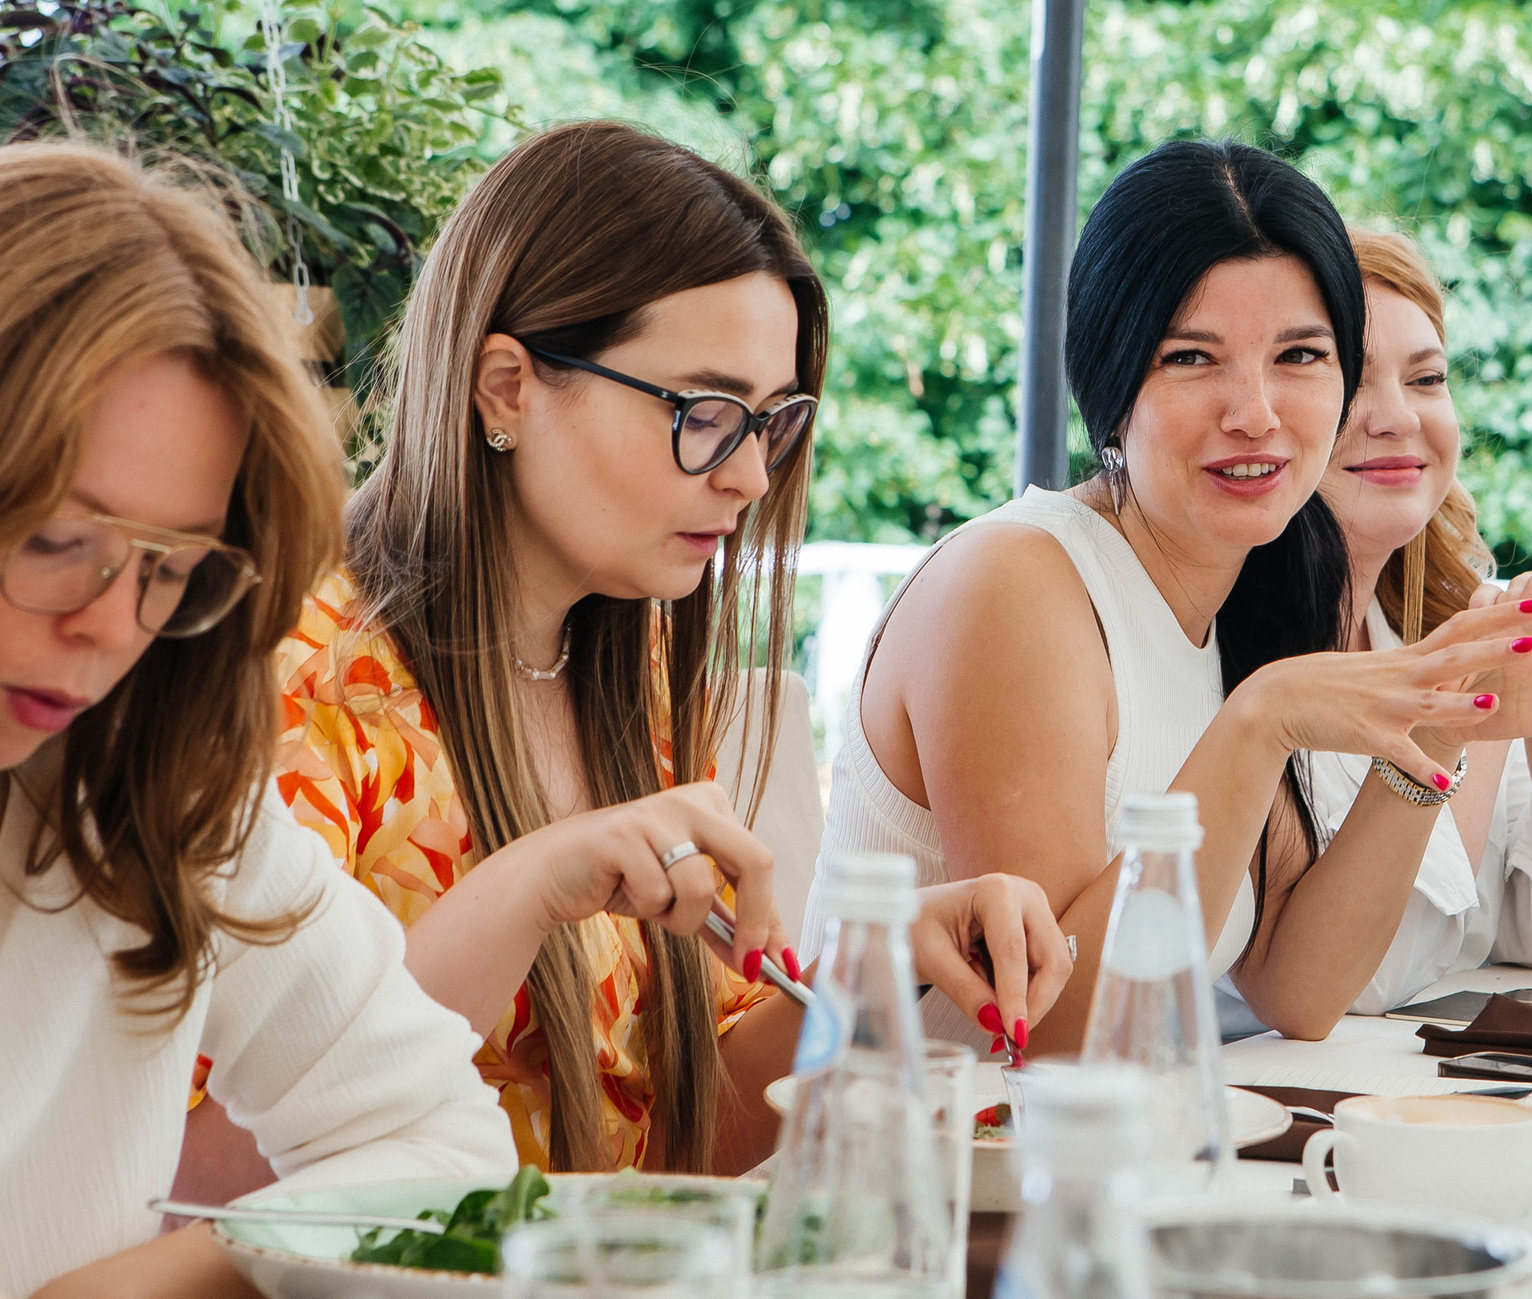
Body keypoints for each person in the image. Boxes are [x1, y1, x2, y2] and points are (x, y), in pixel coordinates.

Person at [184, 122, 1068, 1191]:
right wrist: (526, 890)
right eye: (704, 412)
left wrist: (880, 967)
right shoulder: (297, 679)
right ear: (505, 387)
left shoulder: (622, 657)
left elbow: (685, 1138)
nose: (747, 477)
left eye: (771, 421)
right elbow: (204, 1179)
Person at [828, 139, 1532, 1047]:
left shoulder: (1239, 586)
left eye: (1300, 356)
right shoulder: (1017, 581)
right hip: (903, 1163)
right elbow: (1057, 1027)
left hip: (1104, 1159)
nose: (1257, 411)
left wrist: (1439, 728)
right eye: (1193, 358)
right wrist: (1261, 718)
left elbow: (1298, 986)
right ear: (1109, 381)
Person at [0, 142, 513, 1299]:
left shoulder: (153, 789)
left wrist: (125, 1289)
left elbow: (446, 1159)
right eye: (54, 541)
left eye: (169, 567)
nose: (110, 625)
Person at [1281, 228, 1532, 1019]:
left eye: (1427, 378)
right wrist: (1466, 718)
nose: (1398, 416)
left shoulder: (1437, 623)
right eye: (1353, 378)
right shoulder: (1239, 660)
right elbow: (1360, 977)